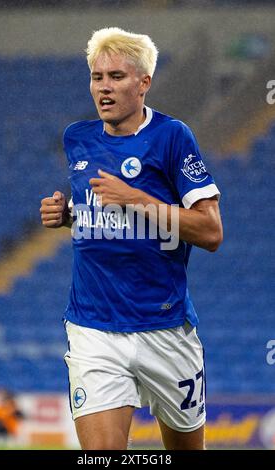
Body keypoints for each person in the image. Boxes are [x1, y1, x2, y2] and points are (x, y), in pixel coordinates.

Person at [40, 27, 223, 450]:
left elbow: (211, 231)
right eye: (96, 76)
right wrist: (69, 216)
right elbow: (105, 218)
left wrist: (137, 198)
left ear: (144, 83)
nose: (103, 88)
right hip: (93, 329)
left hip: (164, 329)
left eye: (116, 77)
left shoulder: (172, 136)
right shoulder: (77, 138)